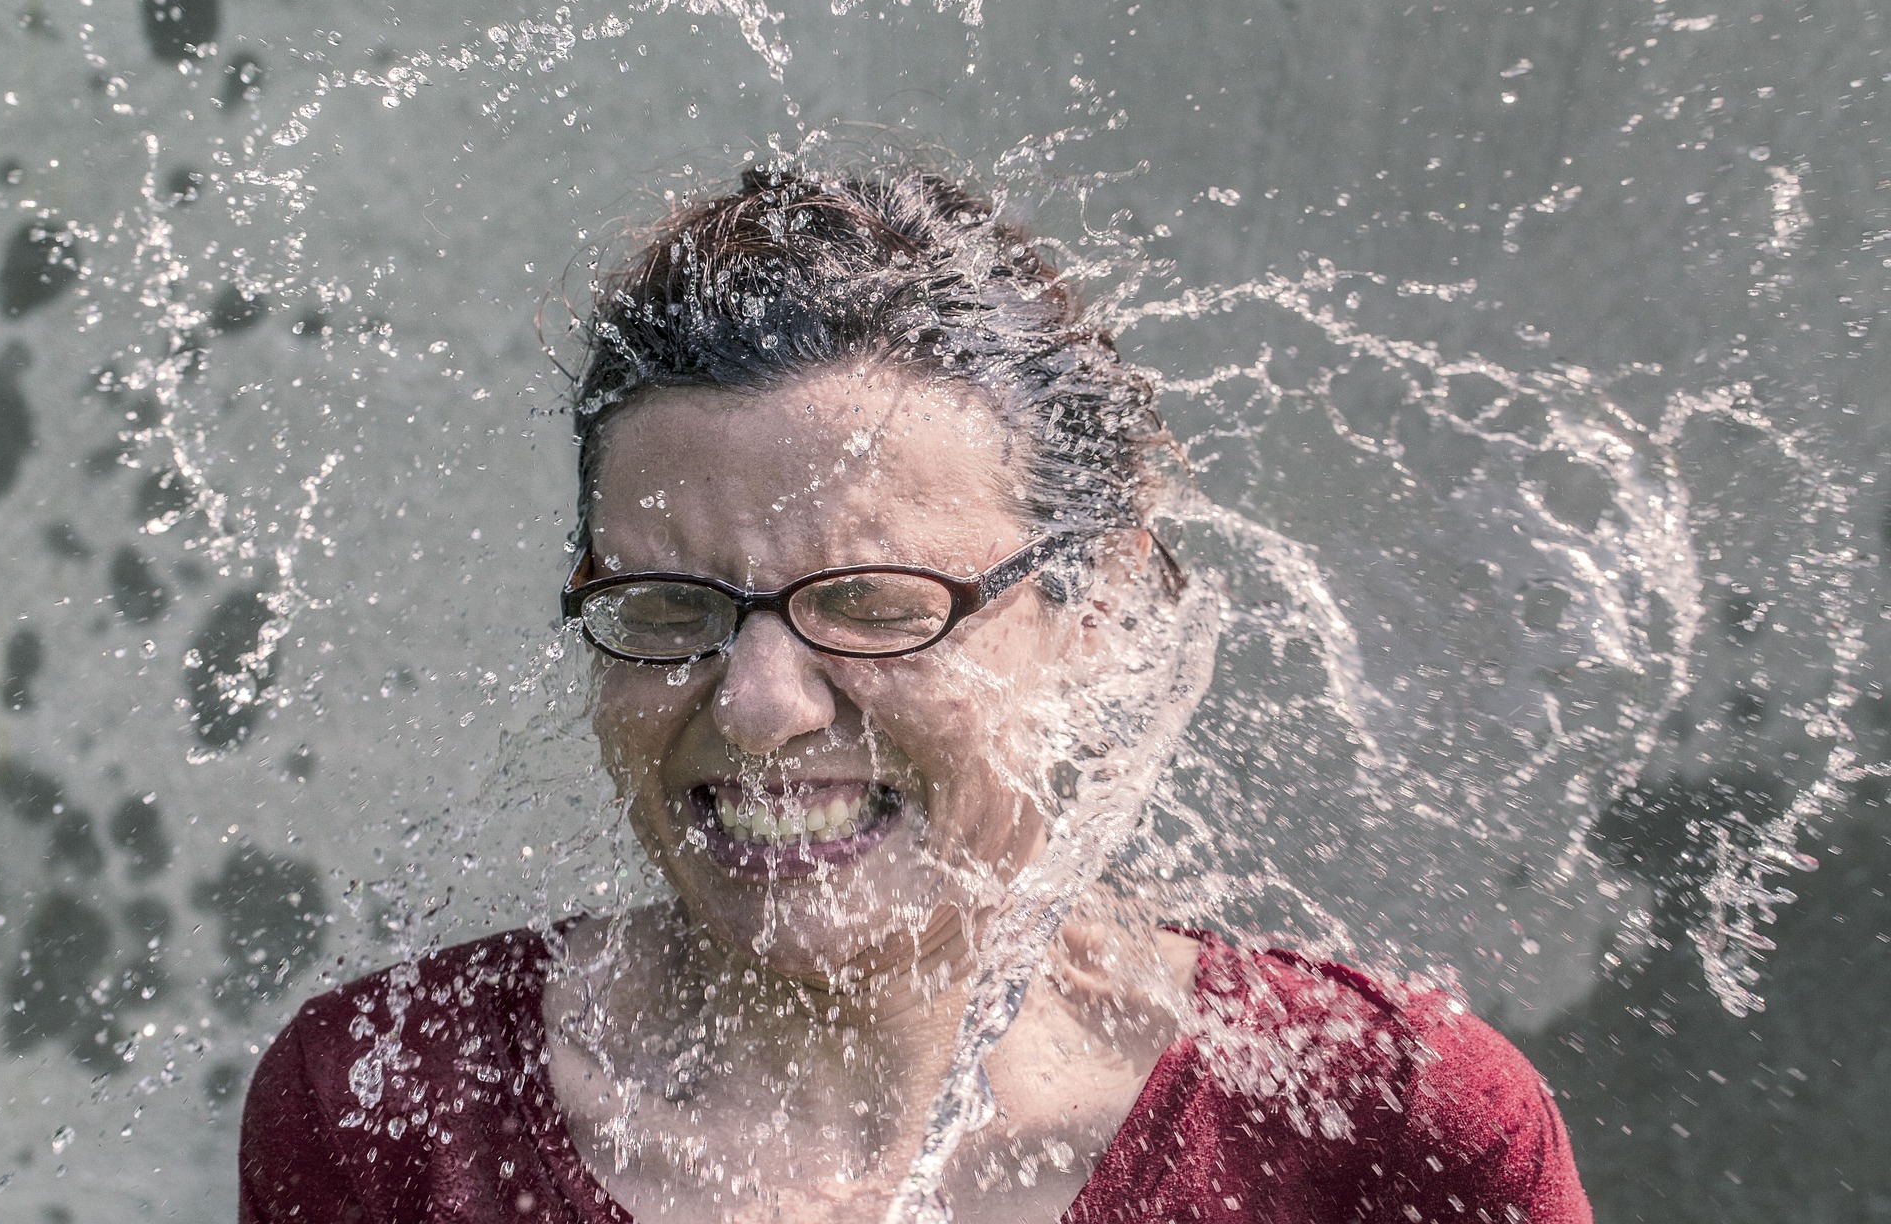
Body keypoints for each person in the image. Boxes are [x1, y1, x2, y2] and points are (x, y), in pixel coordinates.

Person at [239, 162, 1591, 1223]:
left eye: (875, 605)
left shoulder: (1390, 1130)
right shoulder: (385, 1106)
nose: (759, 706)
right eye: (666, 612)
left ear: (1102, 608)